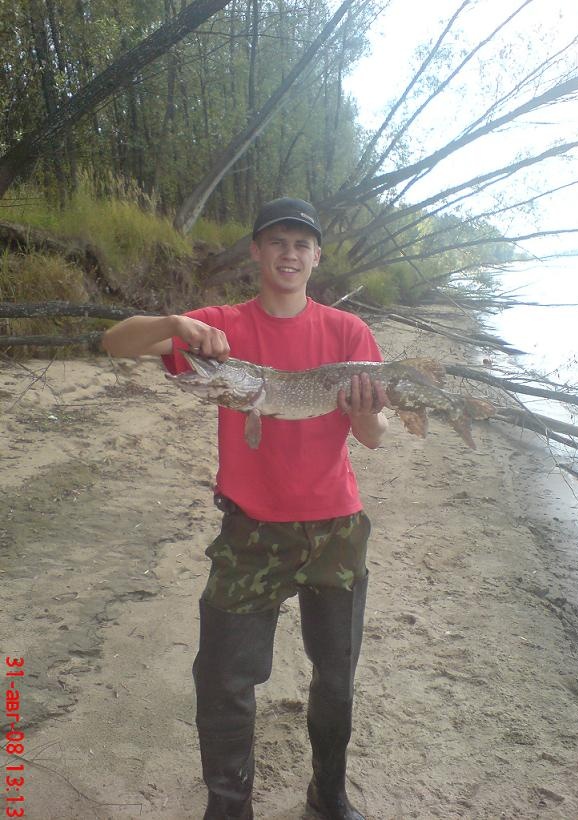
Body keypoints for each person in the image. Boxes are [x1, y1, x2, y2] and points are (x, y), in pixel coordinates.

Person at [102, 197, 388, 820]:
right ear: (256, 250)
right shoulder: (219, 328)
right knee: (224, 678)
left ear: (316, 257)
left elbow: (374, 437)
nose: (289, 254)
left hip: (336, 530)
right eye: (277, 241)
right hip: (249, 531)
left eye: (301, 244)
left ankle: (329, 794)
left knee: (336, 674)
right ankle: (229, 807)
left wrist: (366, 409)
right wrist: (175, 325)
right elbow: (114, 342)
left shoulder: (348, 333)